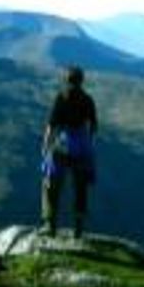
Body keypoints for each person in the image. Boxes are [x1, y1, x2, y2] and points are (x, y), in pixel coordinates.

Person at [41, 65, 98, 236]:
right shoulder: (88, 100)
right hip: (82, 147)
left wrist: (46, 146)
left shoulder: (61, 97)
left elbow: (52, 125)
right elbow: (93, 127)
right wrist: (89, 148)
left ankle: (50, 224)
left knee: (50, 185)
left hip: (62, 146)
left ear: (66, 80)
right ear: (82, 81)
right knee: (80, 187)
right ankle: (78, 228)